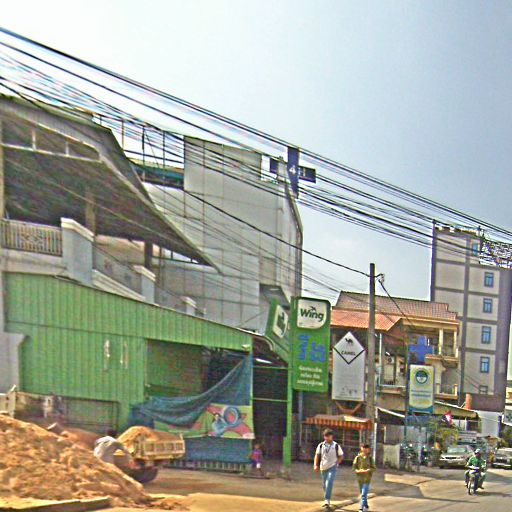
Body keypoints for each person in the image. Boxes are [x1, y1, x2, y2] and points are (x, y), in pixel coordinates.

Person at [314, 428, 344, 509]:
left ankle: (327, 500)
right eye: (325, 436)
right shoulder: (321, 445)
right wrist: (315, 465)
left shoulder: (336, 445)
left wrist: (337, 463)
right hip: (323, 467)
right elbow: (317, 455)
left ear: (332, 436)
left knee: (329, 482)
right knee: (325, 484)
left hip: (333, 466)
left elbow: (341, 455)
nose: (327, 438)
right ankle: (326, 498)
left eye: (328, 436)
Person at [353, 443, 376, 512]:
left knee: (363, 494)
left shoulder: (370, 458)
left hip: (367, 479)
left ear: (369, 450)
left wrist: (368, 470)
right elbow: (354, 467)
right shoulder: (358, 457)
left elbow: (374, 468)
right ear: (361, 448)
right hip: (360, 479)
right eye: (364, 448)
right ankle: (366, 505)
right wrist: (358, 471)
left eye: (366, 448)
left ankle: (361, 508)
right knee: (363, 494)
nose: (365, 450)